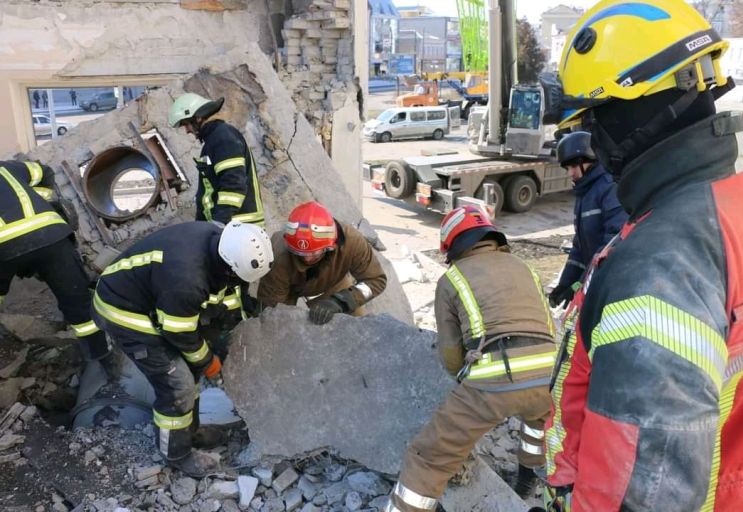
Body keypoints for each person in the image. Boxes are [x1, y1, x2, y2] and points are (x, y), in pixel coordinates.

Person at [537, 0, 743, 509]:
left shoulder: (660, 265)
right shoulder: (722, 206)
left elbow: (645, 490)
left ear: (629, 110)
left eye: (594, 119)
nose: (594, 142)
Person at [385, 206, 557, 511]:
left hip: (494, 379)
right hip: (549, 376)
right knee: (538, 422)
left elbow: (451, 353)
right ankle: (528, 478)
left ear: (452, 245)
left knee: (431, 456)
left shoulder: (453, 279)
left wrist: (464, 383)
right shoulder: (524, 267)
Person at [91, 221, 273, 477]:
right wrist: (209, 362)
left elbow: (225, 296)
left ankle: (190, 431)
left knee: (188, 368)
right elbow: (179, 333)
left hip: (151, 299)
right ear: (229, 268)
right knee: (178, 385)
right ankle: (176, 454)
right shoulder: (186, 279)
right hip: (122, 310)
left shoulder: (221, 241)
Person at [0, 160, 110, 363]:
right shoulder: (9, 167)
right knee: (77, 301)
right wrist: (45, 198)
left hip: (4, 249)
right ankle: (101, 357)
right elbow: (45, 171)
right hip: (52, 234)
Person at [257, 201, 386, 324]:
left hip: (334, 282)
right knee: (279, 327)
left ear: (330, 246)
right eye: (301, 253)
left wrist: (341, 301)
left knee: (357, 333)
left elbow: (375, 280)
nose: (307, 258)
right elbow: (271, 309)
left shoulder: (352, 242)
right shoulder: (278, 254)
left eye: (314, 253)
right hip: (290, 288)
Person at [548, 131, 627, 308]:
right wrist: (565, 284)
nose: (570, 173)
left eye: (573, 167)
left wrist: (579, 286)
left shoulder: (609, 188)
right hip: (594, 280)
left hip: (611, 284)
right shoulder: (584, 193)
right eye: (567, 168)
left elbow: (612, 244)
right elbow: (580, 246)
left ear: (589, 161)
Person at [168, 93, 264, 227]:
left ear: (198, 118)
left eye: (186, 125)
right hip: (231, 227)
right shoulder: (213, 140)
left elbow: (234, 185)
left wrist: (219, 222)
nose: (187, 131)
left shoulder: (223, 138)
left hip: (238, 230)